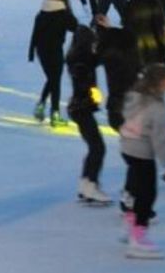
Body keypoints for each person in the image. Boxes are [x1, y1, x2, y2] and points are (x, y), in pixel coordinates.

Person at [119, 63, 165, 259]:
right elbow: (160, 140)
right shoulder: (158, 108)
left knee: (135, 188)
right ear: (159, 83)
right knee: (147, 195)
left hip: (127, 147)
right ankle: (138, 238)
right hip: (142, 151)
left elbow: (125, 116)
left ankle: (130, 225)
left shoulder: (134, 96)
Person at [66, 25, 109, 204]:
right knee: (98, 147)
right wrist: (93, 92)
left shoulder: (76, 57)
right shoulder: (82, 60)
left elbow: (99, 58)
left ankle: (87, 184)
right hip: (81, 108)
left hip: (79, 108)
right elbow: (85, 75)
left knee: (95, 147)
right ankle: (90, 185)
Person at [29, 0, 78, 127]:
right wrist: (68, 8)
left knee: (52, 78)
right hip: (55, 50)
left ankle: (41, 105)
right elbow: (74, 26)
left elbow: (35, 34)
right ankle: (54, 113)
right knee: (54, 80)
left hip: (41, 50)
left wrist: (31, 51)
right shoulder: (63, 13)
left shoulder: (42, 12)